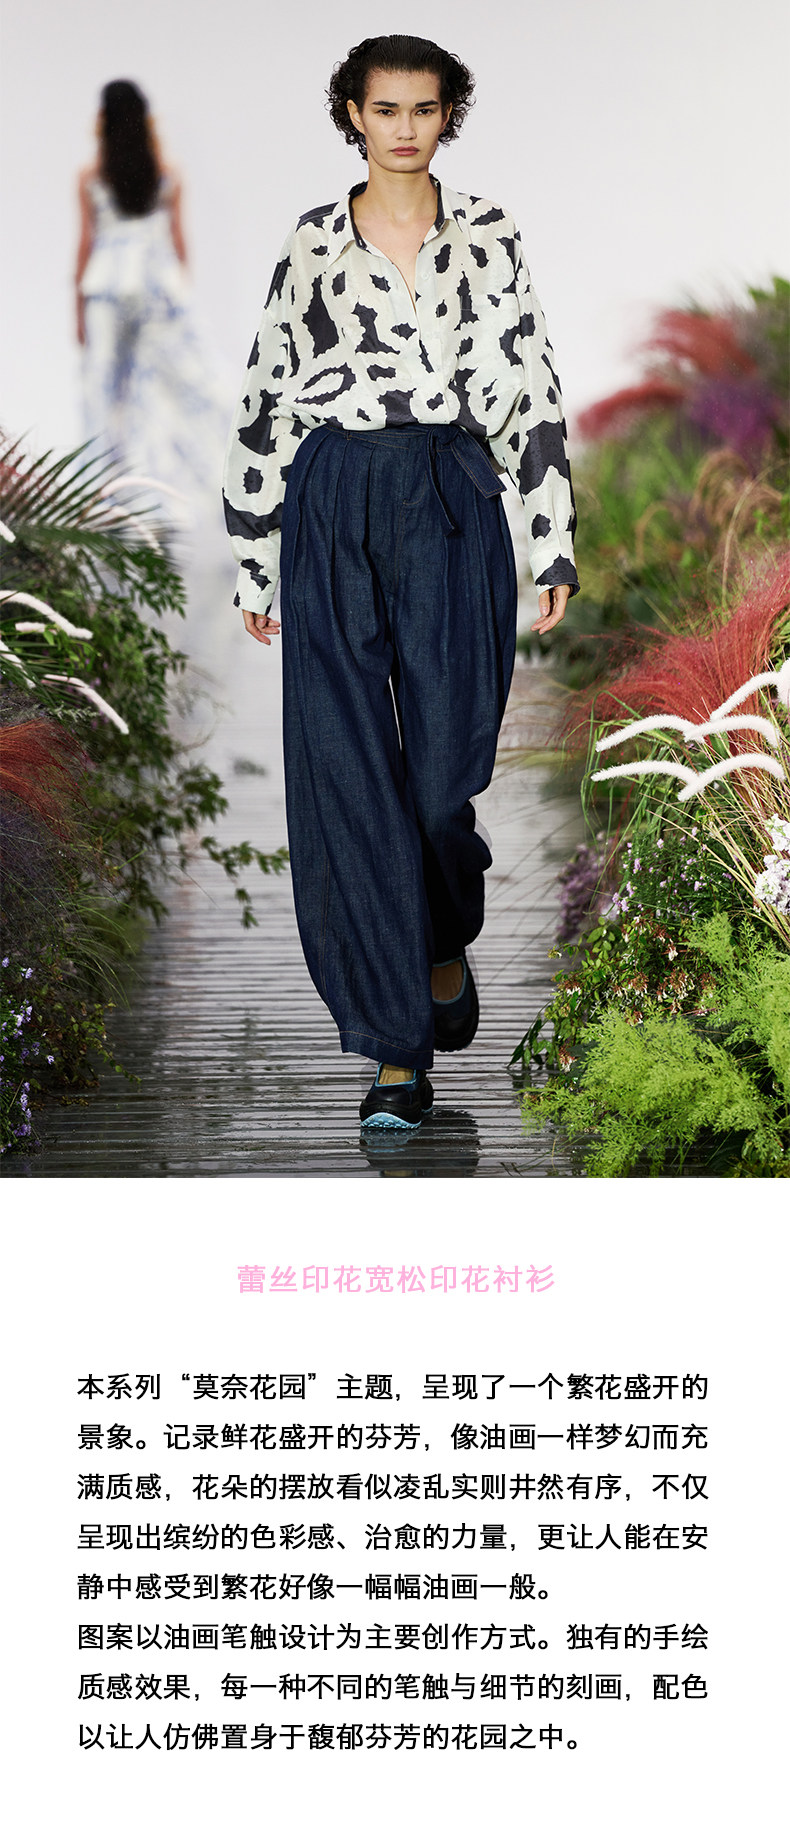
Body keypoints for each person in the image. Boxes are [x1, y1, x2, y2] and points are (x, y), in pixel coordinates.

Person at [223, 33, 578, 1131]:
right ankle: (394, 1055)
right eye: (386, 109)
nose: (406, 128)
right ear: (353, 115)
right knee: (349, 777)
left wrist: (552, 540)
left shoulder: (492, 234)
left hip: (450, 498)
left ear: (447, 115)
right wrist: (254, 553)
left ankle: (440, 934)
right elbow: (267, 397)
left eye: (425, 109)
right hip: (333, 502)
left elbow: (530, 386)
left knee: (440, 782)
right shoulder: (312, 243)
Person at [76, 79, 226, 512]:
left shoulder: (91, 177)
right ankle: (174, 489)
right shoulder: (166, 174)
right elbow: (179, 241)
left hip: (107, 286)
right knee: (164, 388)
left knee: (104, 391)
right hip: (157, 283)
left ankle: (102, 498)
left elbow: (85, 245)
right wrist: (183, 294)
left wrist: (76, 312)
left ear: (103, 121)